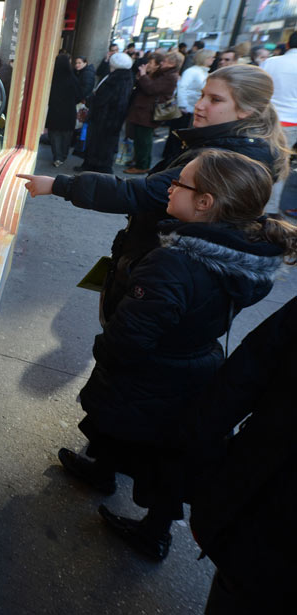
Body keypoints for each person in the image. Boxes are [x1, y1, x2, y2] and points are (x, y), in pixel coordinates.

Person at [20, 149, 295, 561]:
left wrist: (106, 351)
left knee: (157, 454)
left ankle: (154, 531)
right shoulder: (247, 254)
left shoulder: (173, 263)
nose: (169, 186)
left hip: (151, 373)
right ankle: (103, 469)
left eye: (180, 182)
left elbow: (129, 339)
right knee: (159, 444)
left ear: (205, 203)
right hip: (195, 364)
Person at [16, 63, 289, 346]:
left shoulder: (222, 155)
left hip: (161, 267)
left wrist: (60, 185)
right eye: (202, 95)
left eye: (216, 100)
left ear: (247, 110)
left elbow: (145, 193)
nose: (200, 105)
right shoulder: (232, 145)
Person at [188, 294, 297, 611]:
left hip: (267, 507)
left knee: (239, 589)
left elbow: (244, 377)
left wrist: (200, 453)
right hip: (266, 509)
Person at [76, 52, 134, 173]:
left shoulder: (115, 79)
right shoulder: (126, 76)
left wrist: (90, 99)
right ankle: (96, 165)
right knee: (104, 143)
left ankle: (96, 166)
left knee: (98, 143)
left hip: (104, 118)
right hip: (113, 118)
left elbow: (102, 99)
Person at [124, 50, 181, 173]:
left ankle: (142, 165)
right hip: (144, 109)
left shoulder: (170, 76)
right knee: (140, 137)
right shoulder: (165, 73)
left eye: (165, 61)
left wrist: (144, 75)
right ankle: (139, 160)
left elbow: (151, 88)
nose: (162, 63)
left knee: (144, 139)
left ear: (172, 63)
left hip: (149, 111)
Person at [260, 31, 297, 218]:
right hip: (289, 121)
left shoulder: (272, 62)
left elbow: (258, 88)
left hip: (273, 119)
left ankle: (264, 207)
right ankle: (270, 209)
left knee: (268, 162)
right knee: (280, 164)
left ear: (288, 45)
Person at [162, 49, 215, 161]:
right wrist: (183, 105)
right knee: (178, 134)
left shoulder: (203, 72)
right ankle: (171, 156)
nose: (213, 60)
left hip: (192, 108)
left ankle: (174, 156)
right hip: (186, 109)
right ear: (204, 58)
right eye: (211, 57)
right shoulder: (192, 71)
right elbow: (182, 87)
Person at [45, 53, 84, 167]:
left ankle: (57, 157)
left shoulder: (51, 78)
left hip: (54, 112)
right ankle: (63, 156)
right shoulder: (73, 78)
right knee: (66, 136)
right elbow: (79, 95)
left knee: (55, 134)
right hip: (68, 112)